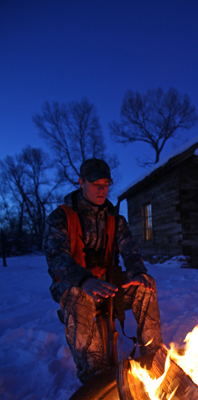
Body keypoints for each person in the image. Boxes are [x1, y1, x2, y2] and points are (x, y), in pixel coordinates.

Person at [42, 157, 162, 383]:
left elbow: (131, 252)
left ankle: (153, 359)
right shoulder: (61, 217)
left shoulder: (115, 219)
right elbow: (57, 257)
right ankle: (94, 375)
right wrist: (84, 280)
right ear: (81, 182)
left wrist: (138, 273)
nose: (101, 189)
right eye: (95, 183)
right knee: (79, 295)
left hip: (108, 284)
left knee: (146, 285)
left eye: (105, 184)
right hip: (75, 285)